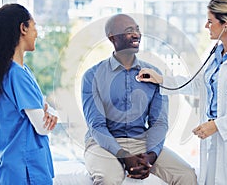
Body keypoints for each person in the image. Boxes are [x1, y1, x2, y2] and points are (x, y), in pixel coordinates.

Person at [137, 0, 227, 185]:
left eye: (210, 21)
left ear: (226, 25)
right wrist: (160, 79)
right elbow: (198, 85)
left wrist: (217, 125)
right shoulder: (215, 56)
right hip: (214, 143)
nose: (206, 26)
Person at [81, 14, 197, 185]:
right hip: (103, 145)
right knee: (109, 179)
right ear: (112, 37)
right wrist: (123, 156)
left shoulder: (153, 73)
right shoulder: (92, 76)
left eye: (137, 29)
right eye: (129, 31)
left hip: (141, 143)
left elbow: (159, 122)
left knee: (186, 174)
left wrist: (151, 155)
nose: (136, 34)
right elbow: (96, 126)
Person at [0, 4, 58, 185]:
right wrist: (50, 114)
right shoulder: (16, 74)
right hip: (25, 170)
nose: (37, 33)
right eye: (34, 26)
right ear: (23, 28)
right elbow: (42, 126)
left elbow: (44, 110)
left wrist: (49, 112)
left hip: (20, 167)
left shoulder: (20, 71)